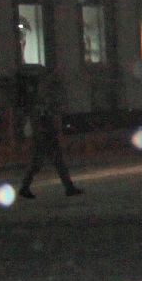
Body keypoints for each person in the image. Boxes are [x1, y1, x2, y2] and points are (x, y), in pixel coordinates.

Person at [18, 66, 83, 198]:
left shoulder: (40, 101)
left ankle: (25, 187)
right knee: (54, 162)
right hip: (45, 135)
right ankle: (68, 188)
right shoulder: (41, 102)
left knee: (43, 163)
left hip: (44, 135)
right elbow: (41, 119)